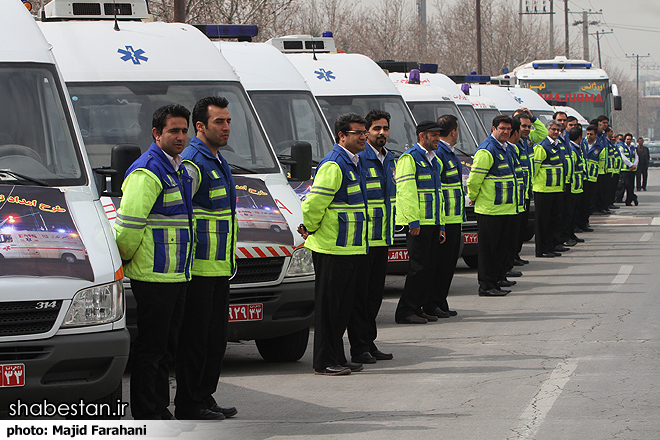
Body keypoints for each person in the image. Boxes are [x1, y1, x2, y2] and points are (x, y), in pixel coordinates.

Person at [114, 104, 194, 420]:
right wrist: (128, 261)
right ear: (156, 133)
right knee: (151, 351)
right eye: (173, 130)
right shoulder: (147, 172)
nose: (180, 136)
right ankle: (148, 412)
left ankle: (160, 407)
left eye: (184, 130)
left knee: (165, 351)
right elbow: (128, 228)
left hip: (175, 275)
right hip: (153, 277)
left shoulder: (178, 169)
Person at [175, 97, 238, 420]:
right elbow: (181, 214)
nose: (226, 127)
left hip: (219, 267)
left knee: (215, 340)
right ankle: (189, 402)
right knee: (195, 341)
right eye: (219, 122)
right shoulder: (192, 162)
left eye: (228, 121)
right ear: (200, 126)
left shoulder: (217, 159)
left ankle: (204, 395)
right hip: (198, 268)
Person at [300, 113, 369, 376]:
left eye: (364, 132)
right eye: (358, 133)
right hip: (332, 248)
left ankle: (337, 356)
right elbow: (313, 204)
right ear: (342, 136)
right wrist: (313, 229)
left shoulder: (354, 162)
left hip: (350, 247)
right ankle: (324, 361)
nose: (364, 137)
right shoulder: (334, 165)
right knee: (329, 311)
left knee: (342, 309)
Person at [348, 109, 396, 364]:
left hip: (383, 237)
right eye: (376, 128)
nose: (382, 133)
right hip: (364, 239)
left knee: (375, 296)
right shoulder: (360, 158)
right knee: (361, 297)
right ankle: (359, 347)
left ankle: (369, 341)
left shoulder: (389, 159)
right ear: (366, 132)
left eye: (385, 128)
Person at [394, 121, 446, 321]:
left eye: (438, 135)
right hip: (418, 224)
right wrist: (412, 221)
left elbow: (437, 195)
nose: (437, 139)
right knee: (418, 268)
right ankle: (405, 310)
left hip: (432, 223)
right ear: (422, 136)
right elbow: (406, 192)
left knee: (429, 268)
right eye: (433, 135)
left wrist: (441, 224)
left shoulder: (435, 160)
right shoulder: (410, 159)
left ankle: (417, 308)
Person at [466, 115, 517, 296]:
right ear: (493, 128)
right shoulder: (487, 150)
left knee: (500, 249)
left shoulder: (506, 149)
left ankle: (496, 281)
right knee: (488, 250)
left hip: (504, 209)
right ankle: (486, 286)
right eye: (502, 128)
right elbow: (474, 180)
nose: (505, 132)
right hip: (489, 210)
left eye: (508, 129)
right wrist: (473, 197)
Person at [423, 114, 463, 317]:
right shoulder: (439, 154)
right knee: (440, 265)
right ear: (454, 131)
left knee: (448, 264)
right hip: (444, 217)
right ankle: (433, 302)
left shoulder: (449, 153)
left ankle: (441, 301)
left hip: (454, 216)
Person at [512, 112, 545, 265]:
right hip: (516, 194)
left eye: (529, 126)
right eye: (524, 126)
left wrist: (533, 117)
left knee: (521, 228)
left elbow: (542, 132)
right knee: (515, 229)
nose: (527, 129)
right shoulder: (514, 144)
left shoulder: (527, 141)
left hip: (525, 192)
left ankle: (516, 254)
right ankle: (511, 257)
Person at [532, 119, 566, 258]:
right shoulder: (542, 147)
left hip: (556, 189)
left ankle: (550, 246)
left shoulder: (558, 146)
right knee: (542, 222)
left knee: (553, 220)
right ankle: (542, 249)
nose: (556, 132)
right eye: (553, 129)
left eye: (558, 130)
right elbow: (534, 168)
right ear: (547, 130)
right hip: (543, 190)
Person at [577, 125, 600, 231]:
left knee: (588, 202)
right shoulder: (583, 144)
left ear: (596, 134)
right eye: (588, 134)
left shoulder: (600, 146)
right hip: (583, 177)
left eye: (591, 134)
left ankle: (585, 222)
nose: (589, 136)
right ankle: (580, 222)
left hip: (593, 177)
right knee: (582, 202)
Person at [619, 133, 639, 206]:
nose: (629, 140)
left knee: (631, 185)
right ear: (625, 139)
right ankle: (634, 197)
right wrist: (630, 165)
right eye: (627, 139)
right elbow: (623, 158)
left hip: (632, 170)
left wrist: (634, 165)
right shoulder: (622, 147)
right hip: (625, 170)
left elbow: (636, 157)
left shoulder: (633, 147)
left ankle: (628, 201)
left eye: (630, 139)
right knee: (627, 185)